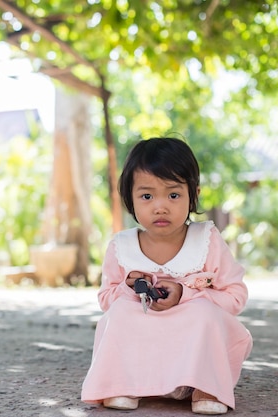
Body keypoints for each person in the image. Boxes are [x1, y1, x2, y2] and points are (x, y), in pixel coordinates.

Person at [81, 137, 253, 415]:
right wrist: (128, 289)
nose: (160, 207)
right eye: (147, 196)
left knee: (202, 313)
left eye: (173, 195)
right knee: (121, 312)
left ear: (193, 194)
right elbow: (105, 300)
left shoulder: (206, 239)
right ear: (129, 198)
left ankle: (205, 385)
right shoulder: (121, 246)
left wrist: (187, 294)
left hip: (192, 337)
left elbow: (236, 295)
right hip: (145, 337)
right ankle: (124, 383)